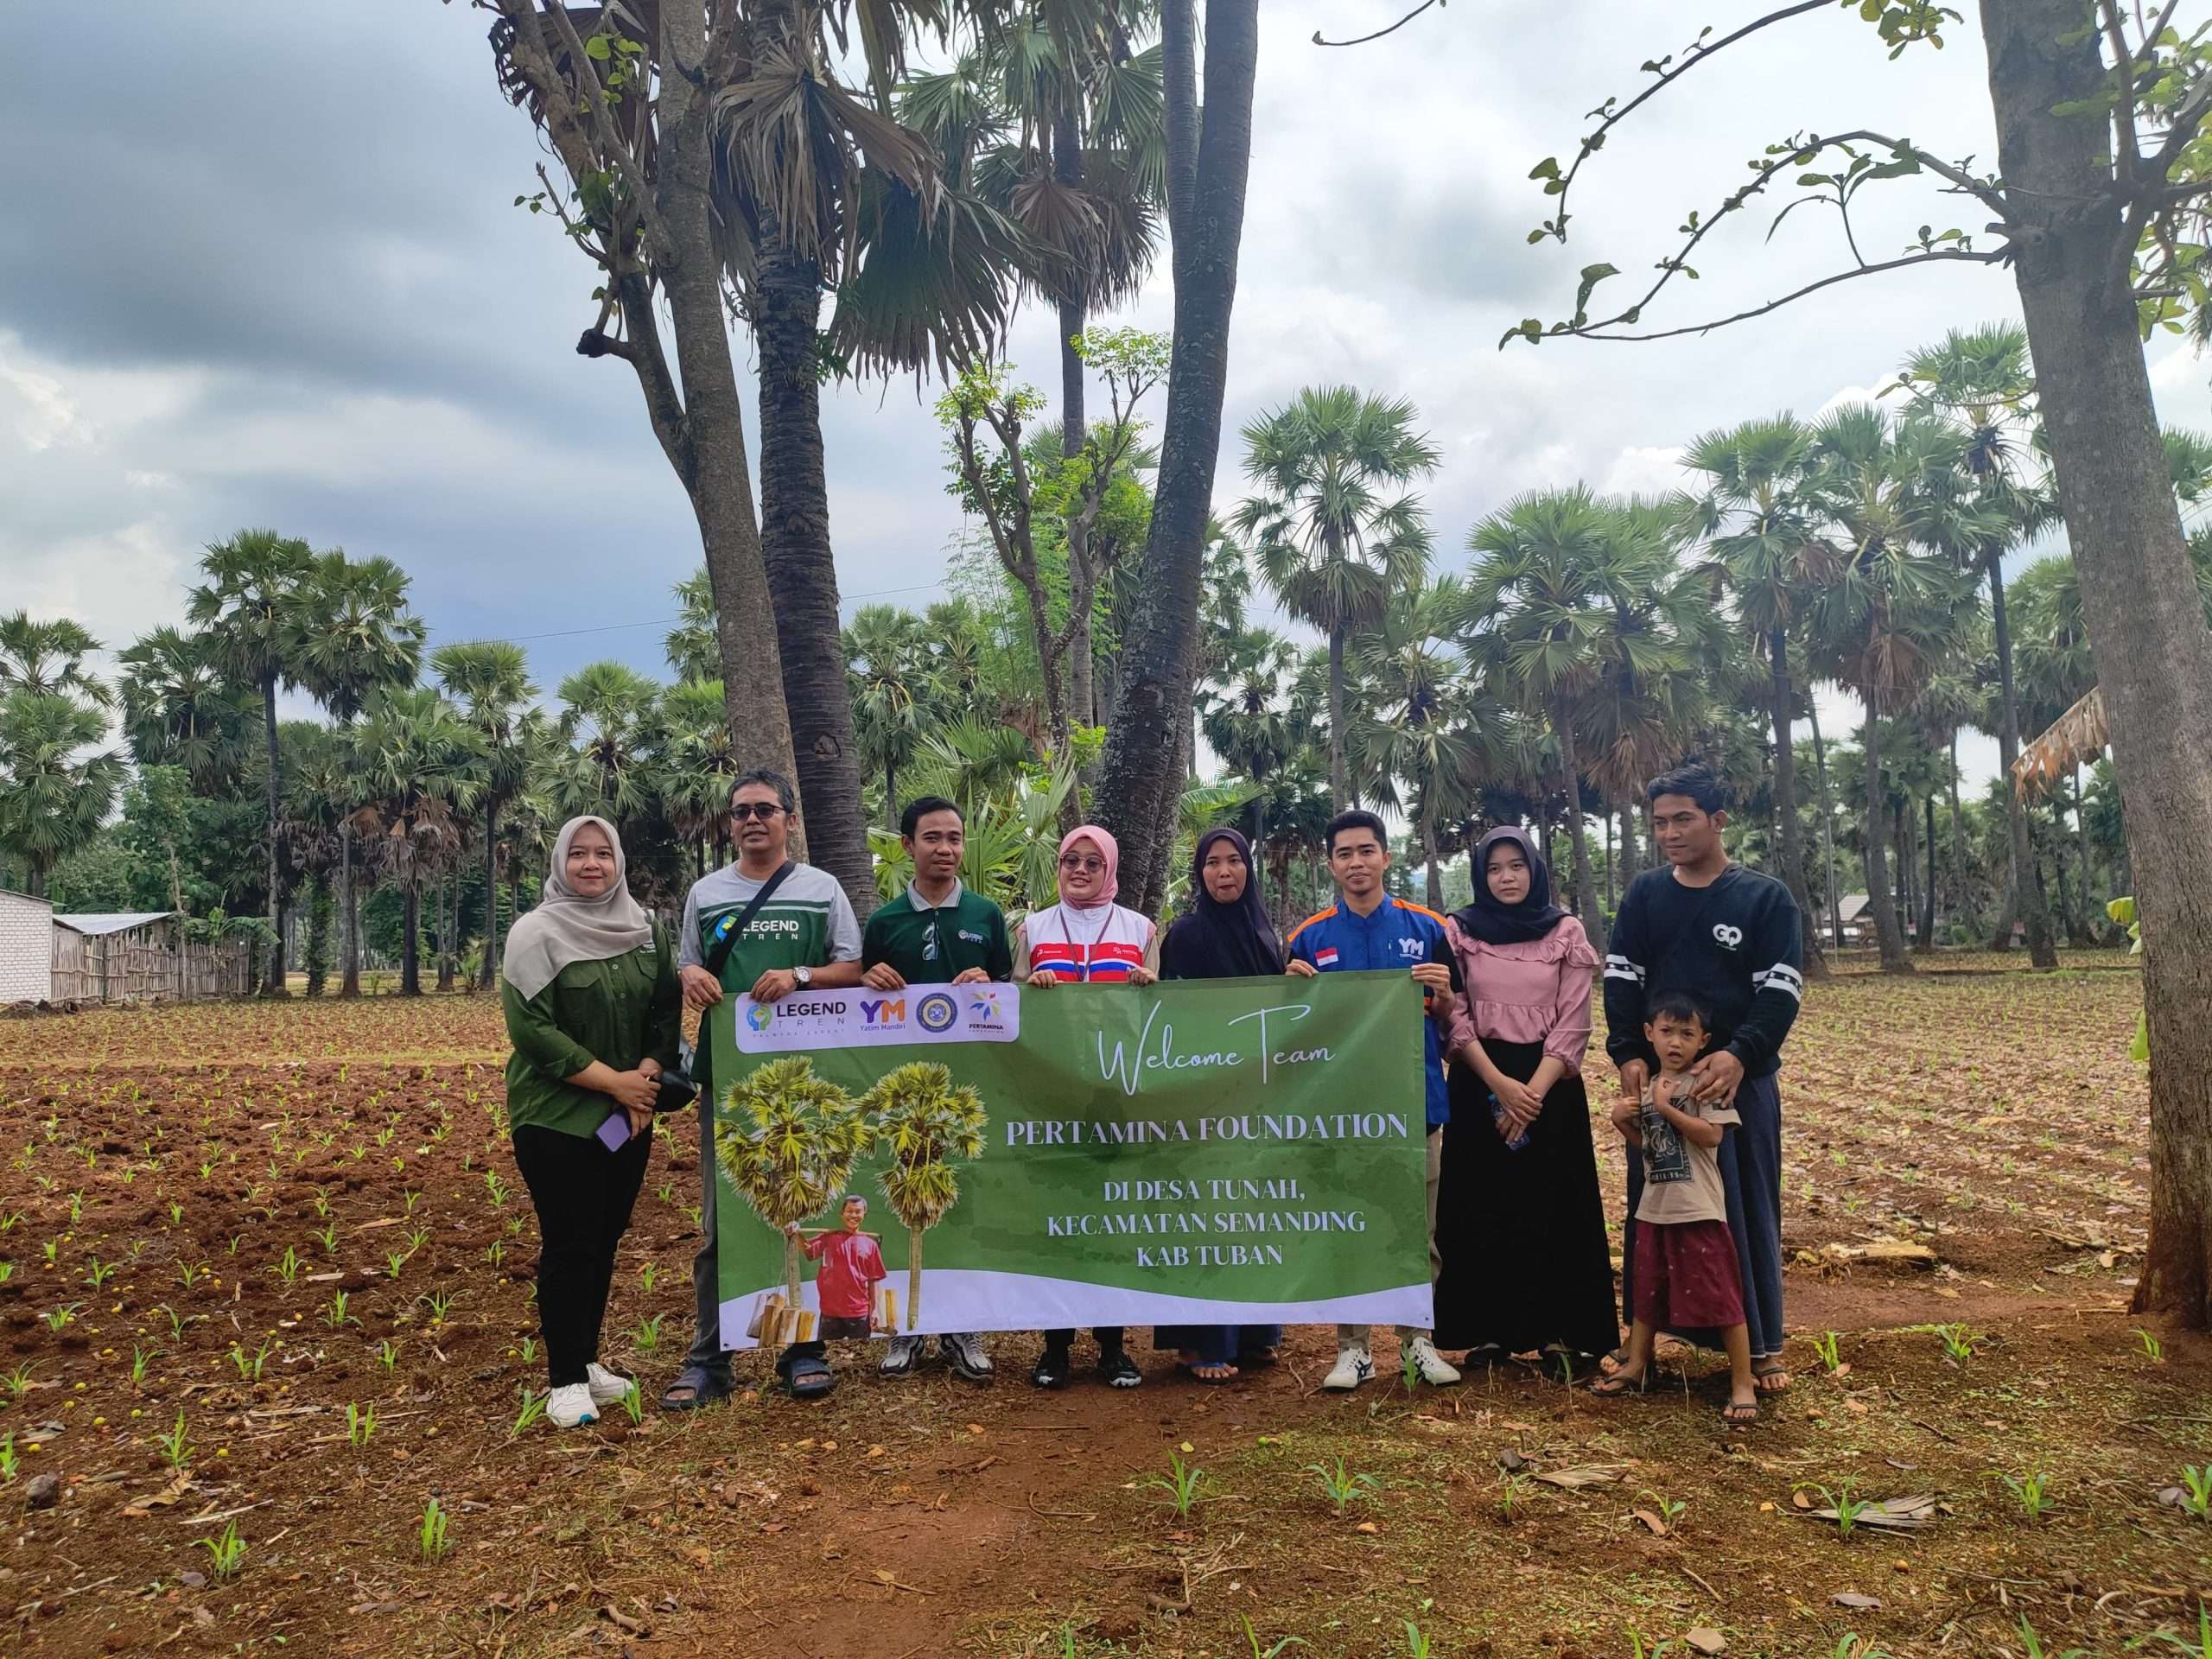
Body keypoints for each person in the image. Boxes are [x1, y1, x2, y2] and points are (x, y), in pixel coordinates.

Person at [666, 768, 865, 1407]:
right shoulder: (707, 893)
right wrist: (692, 975)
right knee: (721, 1224)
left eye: (765, 811)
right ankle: (710, 1360)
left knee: (801, 1210)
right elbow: (686, 960)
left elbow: (853, 968)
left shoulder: (820, 889)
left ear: (790, 819)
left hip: (805, 1080)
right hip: (726, 1080)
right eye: (742, 812)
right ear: (732, 823)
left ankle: (804, 1349)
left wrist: (800, 975)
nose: (753, 821)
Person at [1603, 764, 1802, 1395]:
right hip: (1662, 1089)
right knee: (1657, 1211)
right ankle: (1645, 1346)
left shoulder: (1765, 898)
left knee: (1741, 1212)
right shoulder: (1644, 895)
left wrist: (1740, 1054)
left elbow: (1782, 988)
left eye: (1683, 819)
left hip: (1733, 1085)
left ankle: (1760, 1348)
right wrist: (1629, 1051)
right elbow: (1621, 976)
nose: (1669, 832)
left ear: (1719, 820)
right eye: (1659, 821)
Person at [500, 816, 682, 1429]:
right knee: (570, 1241)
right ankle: (564, 1380)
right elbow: (532, 1031)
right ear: (559, 862)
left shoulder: (645, 930)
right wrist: (618, 1083)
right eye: (577, 853)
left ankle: (586, 1358)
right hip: (556, 1115)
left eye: (603, 853)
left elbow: (665, 1010)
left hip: (629, 1114)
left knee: (605, 1236)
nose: (591, 864)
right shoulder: (535, 933)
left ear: (619, 862)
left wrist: (647, 1081)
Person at [1285, 810, 1464, 1392]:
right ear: (1331, 863)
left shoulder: (1430, 927)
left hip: (1416, 1100)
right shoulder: (1308, 938)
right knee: (1348, 1224)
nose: (1356, 863)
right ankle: (1352, 1348)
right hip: (1339, 1107)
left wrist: (1441, 998)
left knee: (1418, 1227)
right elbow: (1289, 1031)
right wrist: (1290, 987)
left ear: (1387, 857)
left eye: (1367, 851)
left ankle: (1417, 1343)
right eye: (1345, 854)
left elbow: (1454, 1016)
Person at [1431, 827, 1617, 1364]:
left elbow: (1574, 1021)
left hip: (1549, 1084)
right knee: (1483, 1202)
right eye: (1494, 868)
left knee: (1554, 1203)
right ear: (1480, 876)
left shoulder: (1565, 930)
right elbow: (1454, 1016)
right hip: (1480, 1077)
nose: (1506, 877)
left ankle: (1563, 1335)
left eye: (1517, 866)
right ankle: (1491, 1332)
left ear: (1535, 869)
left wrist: (1528, 1096)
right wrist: (1499, 1087)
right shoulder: (1461, 931)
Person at [859, 796, 1010, 1382]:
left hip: (968, 1086)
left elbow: (1008, 992)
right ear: (907, 847)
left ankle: (964, 1326)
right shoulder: (884, 923)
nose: (945, 849)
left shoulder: (987, 916)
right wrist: (870, 977)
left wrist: (989, 982)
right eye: (932, 838)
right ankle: (906, 1328)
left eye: (954, 838)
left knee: (963, 1198)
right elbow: (861, 995)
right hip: (902, 1091)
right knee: (905, 1199)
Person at [1015, 823, 1159, 1389]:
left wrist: (1151, 988)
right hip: (1053, 1092)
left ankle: (1113, 1347)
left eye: (1091, 863)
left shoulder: (1140, 928)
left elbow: (1163, 1016)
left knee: (1111, 1220)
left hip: (1115, 1093)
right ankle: (1055, 1348)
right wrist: (1032, 986)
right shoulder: (1033, 928)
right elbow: (1011, 1007)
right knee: (1057, 1219)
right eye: (1070, 860)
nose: (1079, 870)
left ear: (1110, 870)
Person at [1151, 827, 1285, 1382]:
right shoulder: (1184, 936)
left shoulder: (1267, 935)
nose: (1224, 872)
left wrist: (1298, 981)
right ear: (1199, 873)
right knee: (1203, 1216)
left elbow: (1282, 1014)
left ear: (1248, 869)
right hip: (1202, 1097)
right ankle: (1201, 1344)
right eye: (1212, 863)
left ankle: (1254, 1335)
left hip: (1259, 1096)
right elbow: (1174, 1019)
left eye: (1234, 861)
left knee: (1253, 1211)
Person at [1592, 993, 1758, 1425]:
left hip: (1698, 1209)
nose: (1675, 1043)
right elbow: (1652, 1147)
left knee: (1722, 1296)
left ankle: (1742, 1381)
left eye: (1687, 1034)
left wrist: (1665, 1108)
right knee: (1646, 1294)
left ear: (1704, 1041)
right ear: (1649, 1035)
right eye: (1666, 1032)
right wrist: (1622, 1120)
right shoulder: (1647, 1090)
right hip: (1654, 1209)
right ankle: (1637, 1365)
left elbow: (1711, 1137)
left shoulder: (1705, 1087)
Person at [790, 1196, 887, 1341]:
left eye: (858, 1212)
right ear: (842, 1214)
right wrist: (795, 1233)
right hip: (830, 1314)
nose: (853, 1215)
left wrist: (874, 1311)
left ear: (864, 1214)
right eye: (849, 1211)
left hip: (859, 1314)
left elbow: (874, 1281)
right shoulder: (828, 1238)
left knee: (859, 1355)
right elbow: (808, 1251)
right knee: (826, 1354)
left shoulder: (870, 1244)